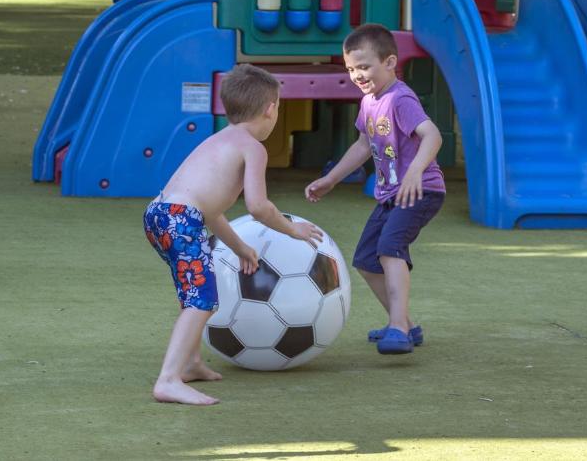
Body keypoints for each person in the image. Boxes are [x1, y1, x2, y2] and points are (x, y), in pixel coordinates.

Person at [143, 64, 325, 405]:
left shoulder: (218, 139)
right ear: (270, 109)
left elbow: (211, 211)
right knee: (201, 299)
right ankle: (168, 380)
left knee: (193, 292)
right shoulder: (253, 148)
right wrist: (293, 230)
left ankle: (191, 363)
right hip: (181, 220)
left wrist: (240, 247)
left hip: (160, 214)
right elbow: (258, 206)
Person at [305, 24, 445, 356]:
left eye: (364, 67)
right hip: (391, 194)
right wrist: (331, 179)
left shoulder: (400, 98)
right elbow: (363, 145)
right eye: (351, 69)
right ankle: (406, 324)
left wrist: (414, 172)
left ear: (390, 62)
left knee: (390, 248)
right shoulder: (369, 102)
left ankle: (398, 327)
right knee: (367, 260)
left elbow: (433, 135)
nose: (357, 75)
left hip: (420, 190)